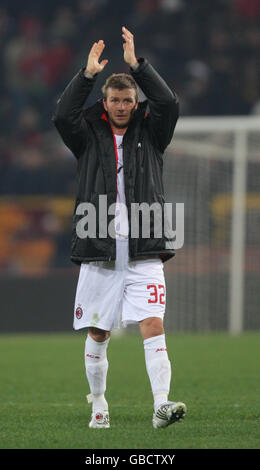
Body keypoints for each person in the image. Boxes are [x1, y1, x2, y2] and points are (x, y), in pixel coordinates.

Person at [52, 26, 186, 429]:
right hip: (100, 248)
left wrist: (138, 66)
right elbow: (62, 114)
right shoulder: (86, 135)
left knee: (153, 323)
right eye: (115, 100)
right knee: (98, 332)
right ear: (105, 103)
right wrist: (87, 75)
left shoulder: (152, 131)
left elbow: (168, 102)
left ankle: (161, 404)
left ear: (135, 102)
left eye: (128, 100)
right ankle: (98, 403)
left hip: (145, 246)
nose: (122, 106)